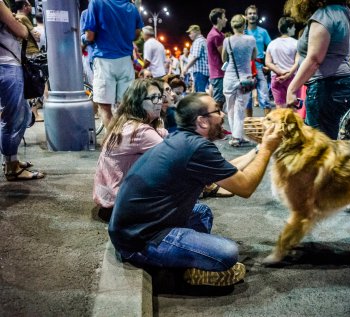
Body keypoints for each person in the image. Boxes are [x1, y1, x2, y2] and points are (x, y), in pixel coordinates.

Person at [108, 93, 282, 286]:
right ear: (202, 122)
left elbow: (227, 170)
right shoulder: (197, 148)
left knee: (202, 212)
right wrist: (267, 148)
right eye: (217, 110)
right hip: (140, 241)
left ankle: (191, 259)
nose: (223, 115)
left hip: (133, 228)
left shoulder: (183, 141)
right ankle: (184, 267)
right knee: (227, 253)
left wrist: (257, 150)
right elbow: (246, 186)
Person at [94, 79, 168, 219]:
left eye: (160, 96)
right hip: (122, 207)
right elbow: (173, 157)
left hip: (110, 201)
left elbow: (163, 136)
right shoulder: (140, 131)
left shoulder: (127, 123)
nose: (159, 101)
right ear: (138, 101)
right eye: (153, 98)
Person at [285, 0, 350, 139]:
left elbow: (314, 59)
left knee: (319, 149)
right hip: (341, 84)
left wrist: (292, 89)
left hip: (326, 87)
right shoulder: (343, 10)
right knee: (326, 143)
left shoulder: (324, 15)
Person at [83, 0, 143, 133]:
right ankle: (125, 141)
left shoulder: (97, 3)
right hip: (126, 61)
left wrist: (83, 38)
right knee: (124, 108)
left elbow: (90, 36)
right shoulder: (131, 7)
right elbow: (136, 33)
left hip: (104, 59)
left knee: (104, 108)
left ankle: (114, 145)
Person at [0, 0, 44, 180]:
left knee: (24, 114)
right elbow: (22, 31)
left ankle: (11, 159)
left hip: (7, 65)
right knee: (13, 118)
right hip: (6, 65)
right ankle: (11, 166)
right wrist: (18, 22)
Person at [222, 14, 257, 147]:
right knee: (240, 108)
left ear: (232, 25)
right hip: (246, 77)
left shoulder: (227, 40)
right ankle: (238, 136)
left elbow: (224, 58)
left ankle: (235, 136)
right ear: (244, 25)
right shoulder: (251, 39)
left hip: (230, 78)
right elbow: (253, 57)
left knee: (230, 108)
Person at [265, 16, 299, 109]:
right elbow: (297, 62)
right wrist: (288, 74)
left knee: (280, 112)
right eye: (293, 27)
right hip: (293, 79)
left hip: (277, 78)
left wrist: (280, 72)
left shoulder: (272, 44)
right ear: (288, 28)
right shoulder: (296, 43)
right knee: (293, 112)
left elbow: (267, 62)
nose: (295, 29)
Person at [245, 5, 272, 117]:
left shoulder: (263, 32)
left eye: (254, 13)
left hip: (259, 67)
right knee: (247, 99)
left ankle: (268, 126)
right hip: (246, 68)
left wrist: (269, 65)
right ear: (246, 16)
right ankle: (249, 125)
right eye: (250, 13)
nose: (252, 15)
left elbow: (271, 48)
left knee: (265, 98)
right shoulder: (243, 32)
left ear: (257, 16)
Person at [207, 8, 228, 108]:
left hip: (217, 73)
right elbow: (224, 55)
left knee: (220, 101)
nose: (226, 20)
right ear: (219, 19)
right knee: (218, 102)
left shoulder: (219, 34)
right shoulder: (216, 35)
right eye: (224, 17)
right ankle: (214, 123)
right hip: (218, 73)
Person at [183, 25, 209, 93]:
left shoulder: (198, 41)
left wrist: (186, 67)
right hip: (205, 71)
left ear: (196, 32)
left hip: (199, 71)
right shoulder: (204, 40)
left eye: (190, 33)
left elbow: (195, 57)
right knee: (203, 92)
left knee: (200, 94)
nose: (189, 35)